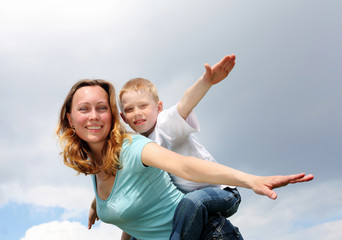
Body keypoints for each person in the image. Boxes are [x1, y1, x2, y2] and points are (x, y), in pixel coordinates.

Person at [56, 79, 314, 240]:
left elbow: (185, 166)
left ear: (112, 116)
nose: (94, 116)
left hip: (210, 234)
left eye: (101, 108)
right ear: (70, 119)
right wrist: (96, 204)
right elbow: (137, 217)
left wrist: (251, 180)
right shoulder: (98, 169)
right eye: (83, 109)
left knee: (194, 201)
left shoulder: (136, 146)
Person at [118, 54, 242, 239]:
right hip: (187, 208)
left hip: (222, 193)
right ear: (123, 118)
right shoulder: (137, 149)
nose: (137, 113)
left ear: (159, 107)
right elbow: (138, 206)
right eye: (129, 109)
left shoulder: (165, 124)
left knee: (193, 201)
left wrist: (205, 81)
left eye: (143, 106)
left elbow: (185, 103)